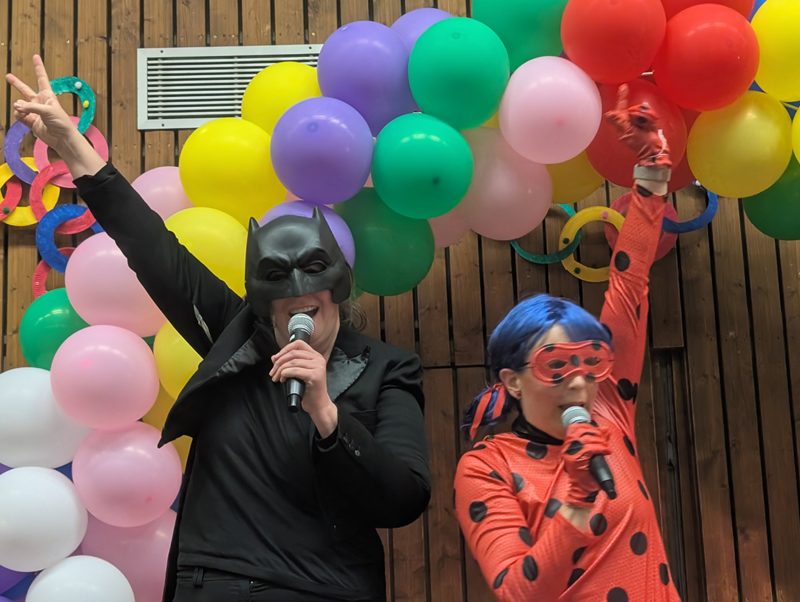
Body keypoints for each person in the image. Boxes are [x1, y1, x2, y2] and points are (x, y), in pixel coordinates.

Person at [8, 55, 430, 602]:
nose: (297, 297)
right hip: (213, 583)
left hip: (321, 587)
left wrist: (327, 413)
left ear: (338, 288)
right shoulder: (237, 335)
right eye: (277, 283)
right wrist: (72, 146)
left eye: (312, 278)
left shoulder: (386, 369)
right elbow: (151, 247)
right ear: (260, 296)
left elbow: (403, 499)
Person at [454, 85, 682, 602]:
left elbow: (630, 283)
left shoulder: (609, 412)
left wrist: (652, 170)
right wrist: (576, 497)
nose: (580, 382)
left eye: (590, 363)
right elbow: (518, 593)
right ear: (512, 380)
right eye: (556, 366)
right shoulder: (488, 467)